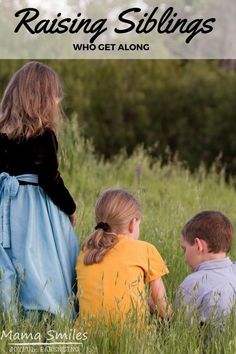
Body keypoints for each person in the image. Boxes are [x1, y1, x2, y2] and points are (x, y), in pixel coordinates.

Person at [0, 61, 79, 318]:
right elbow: (49, 178)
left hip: (6, 204)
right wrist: (70, 207)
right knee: (40, 256)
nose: (58, 101)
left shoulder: (2, 134)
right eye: (56, 95)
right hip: (34, 208)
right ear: (43, 99)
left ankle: (11, 310)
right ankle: (44, 309)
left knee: (10, 257)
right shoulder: (44, 135)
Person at [76, 188, 170, 327]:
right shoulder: (145, 250)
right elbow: (162, 306)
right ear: (133, 224)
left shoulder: (85, 252)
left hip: (85, 337)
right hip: (133, 338)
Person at [177, 210, 236, 325]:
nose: (184, 258)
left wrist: (162, 312)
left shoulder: (193, 283)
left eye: (185, 249)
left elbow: (180, 329)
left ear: (199, 245)